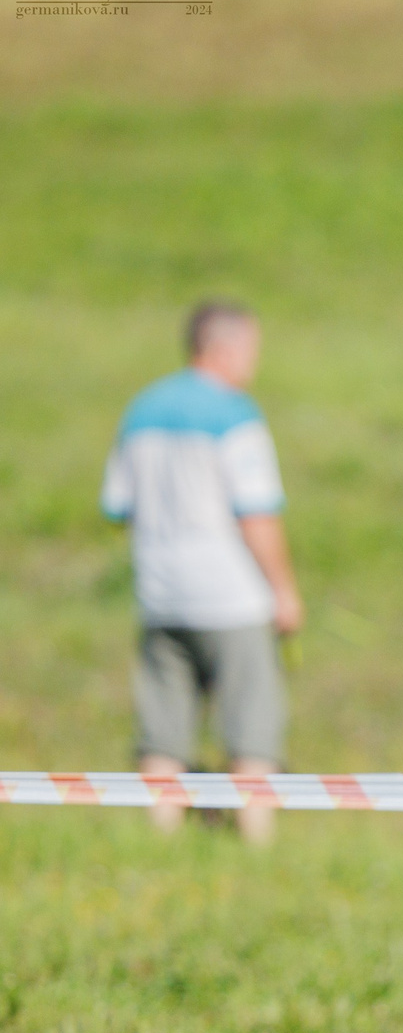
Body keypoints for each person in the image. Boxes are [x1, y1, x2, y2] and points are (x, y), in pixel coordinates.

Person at [102, 299, 303, 846]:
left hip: (160, 594)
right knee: (251, 728)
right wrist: (284, 591)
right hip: (231, 597)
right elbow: (257, 513)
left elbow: (119, 505)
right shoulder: (236, 414)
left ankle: (160, 843)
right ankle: (256, 841)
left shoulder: (141, 409)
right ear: (225, 347)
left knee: (162, 731)